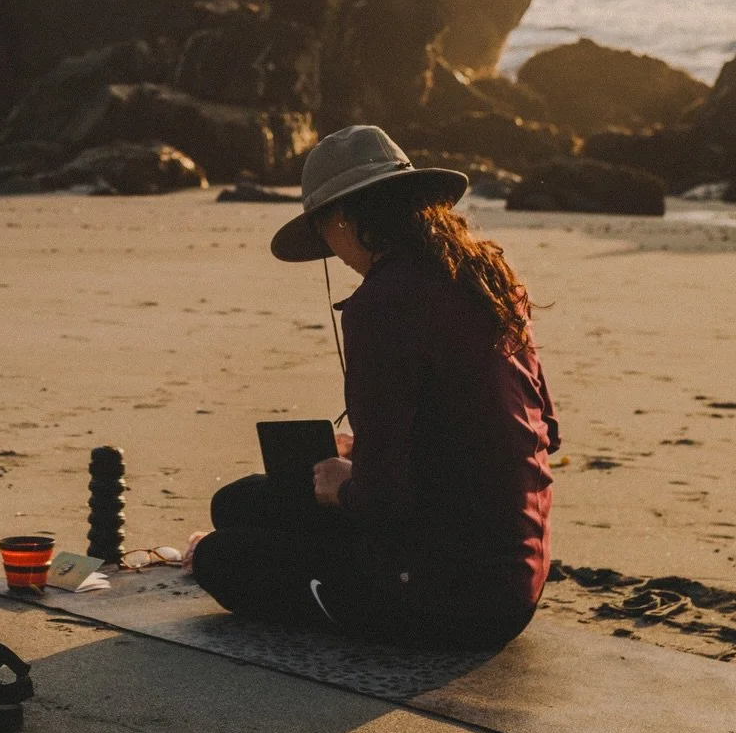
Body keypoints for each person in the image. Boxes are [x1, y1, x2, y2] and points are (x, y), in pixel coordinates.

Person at [192, 125, 558, 651]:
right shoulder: (492, 279)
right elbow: (542, 429)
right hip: (517, 574)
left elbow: (382, 502)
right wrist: (371, 454)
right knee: (239, 502)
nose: (330, 250)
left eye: (323, 231)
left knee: (218, 556)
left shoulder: (381, 307)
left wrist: (343, 484)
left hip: (443, 601)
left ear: (342, 217)